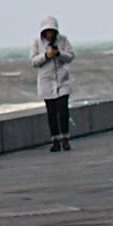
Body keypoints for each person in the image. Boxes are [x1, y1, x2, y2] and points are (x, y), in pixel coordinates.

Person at [31, 15, 76, 151]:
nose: (50, 34)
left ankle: (65, 138)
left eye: (52, 31)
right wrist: (46, 56)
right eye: (47, 32)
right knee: (51, 113)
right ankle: (55, 140)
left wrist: (58, 54)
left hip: (62, 81)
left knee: (63, 111)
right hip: (46, 82)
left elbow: (70, 56)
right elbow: (33, 61)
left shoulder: (63, 40)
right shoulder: (37, 43)